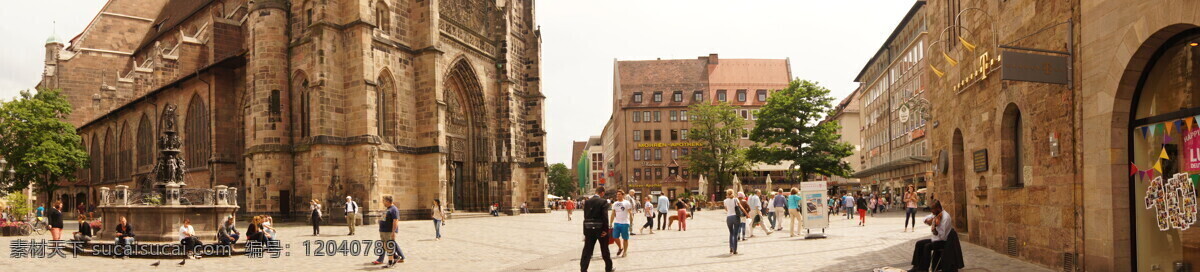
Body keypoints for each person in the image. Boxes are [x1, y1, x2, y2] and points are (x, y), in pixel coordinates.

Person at [909, 200, 953, 272]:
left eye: (933, 210)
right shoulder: (935, 214)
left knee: (927, 246)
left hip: (943, 241)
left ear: (938, 208)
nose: (932, 212)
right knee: (919, 243)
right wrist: (929, 220)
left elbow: (942, 236)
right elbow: (924, 218)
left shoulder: (945, 217)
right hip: (935, 239)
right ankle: (916, 267)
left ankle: (924, 269)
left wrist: (935, 230)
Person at [580, 186, 613, 272]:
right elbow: (605, 217)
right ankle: (608, 268)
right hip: (600, 229)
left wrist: (586, 230)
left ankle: (583, 269)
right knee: (605, 249)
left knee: (587, 250)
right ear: (602, 192)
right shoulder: (603, 201)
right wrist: (605, 230)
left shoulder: (587, 202)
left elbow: (586, 216)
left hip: (589, 229)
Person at [379, 195, 405, 268]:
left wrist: (393, 232)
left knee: (389, 247)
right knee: (385, 246)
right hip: (384, 231)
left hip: (389, 231)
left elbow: (395, 220)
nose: (382, 202)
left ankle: (390, 263)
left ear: (387, 201)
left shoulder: (394, 209)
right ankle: (396, 257)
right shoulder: (388, 209)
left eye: (383, 201)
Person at [609, 189, 633, 257]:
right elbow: (613, 213)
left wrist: (631, 221)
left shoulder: (627, 203)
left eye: (619, 194)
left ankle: (625, 252)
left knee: (625, 238)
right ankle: (620, 247)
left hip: (625, 223)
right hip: (617, 223)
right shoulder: (615, 204)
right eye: (617, 195)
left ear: (623, 195)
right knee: (615, 237)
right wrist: (611, 222)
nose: (618, 196)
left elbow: (630, 212)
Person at [723, 189, 746, 255]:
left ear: (727, 194)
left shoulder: (725, 201)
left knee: (731, 233)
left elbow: (726, 209)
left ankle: (731, 248)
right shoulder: (736, 199)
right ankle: (735, 250)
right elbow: (741, 208)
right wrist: (746, 214)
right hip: (736, 217)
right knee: (735, 234)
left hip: (729, 218)